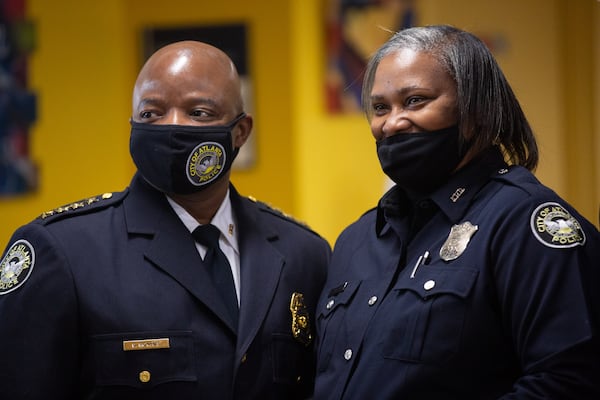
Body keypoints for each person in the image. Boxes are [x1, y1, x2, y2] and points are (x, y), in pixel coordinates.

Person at [0, 41, 330, 399]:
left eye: (199, 112)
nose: (171, 126)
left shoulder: (304, 255)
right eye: (151, 114)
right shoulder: (62, 252)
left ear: (241, 132)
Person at [314, 25, 600, 399]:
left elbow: (568, 382)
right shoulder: (358, 238)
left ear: (475, 110)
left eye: (415, 100)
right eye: (381, 107)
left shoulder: (526, 224)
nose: (393, 123)